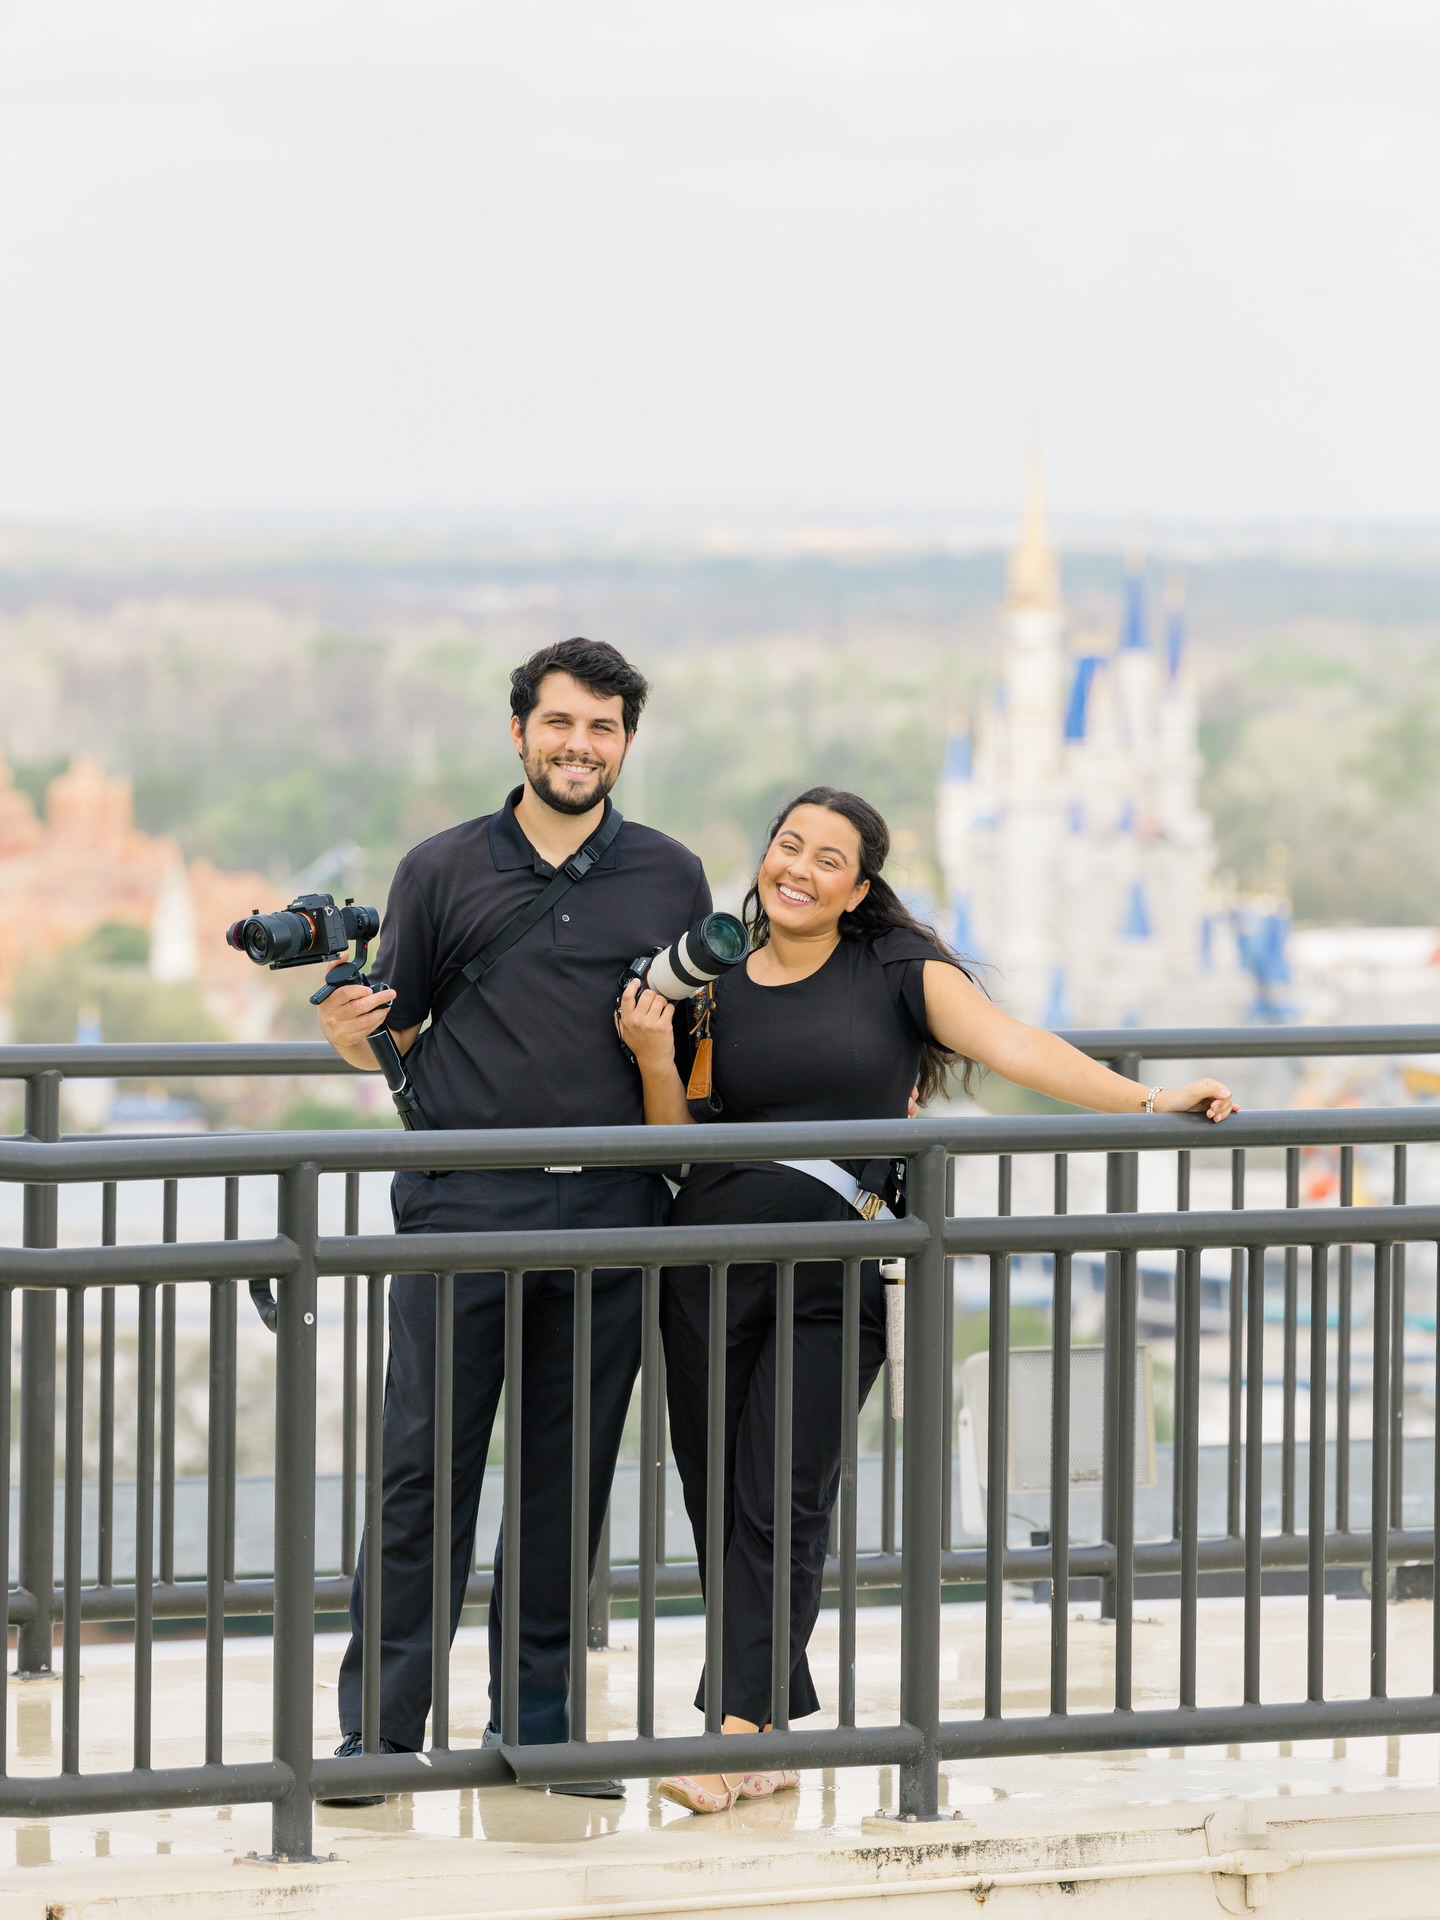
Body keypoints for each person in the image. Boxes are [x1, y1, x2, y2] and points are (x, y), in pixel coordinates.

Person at [617, 785, 1236, 1813]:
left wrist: (1144, 1098)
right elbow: (673, 1136)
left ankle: (724, 1737)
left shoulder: (895, 969)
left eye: (827, 860)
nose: (799, 870)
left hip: (831, 1263)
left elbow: (1012, 1044)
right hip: (705, 1261)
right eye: (787, 846)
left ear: (860, 889)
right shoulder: (713, 976)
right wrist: (651, 1053)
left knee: (785, 1494)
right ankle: (765, 1730)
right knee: (720, 1497)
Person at [317, 637, 710, 1803]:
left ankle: (540, 1736)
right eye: (559, 724)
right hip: (463, 1201)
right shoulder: (440, 870)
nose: (578, 746)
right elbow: (395, 1023)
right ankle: (380, 1738)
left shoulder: (670, 875)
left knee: (565, 1479)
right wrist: (349, 1037)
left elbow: (688, 1050)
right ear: (519, 732)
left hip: (611, 1205)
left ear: (626, 743)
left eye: (601, 728)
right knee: (420, 1472)